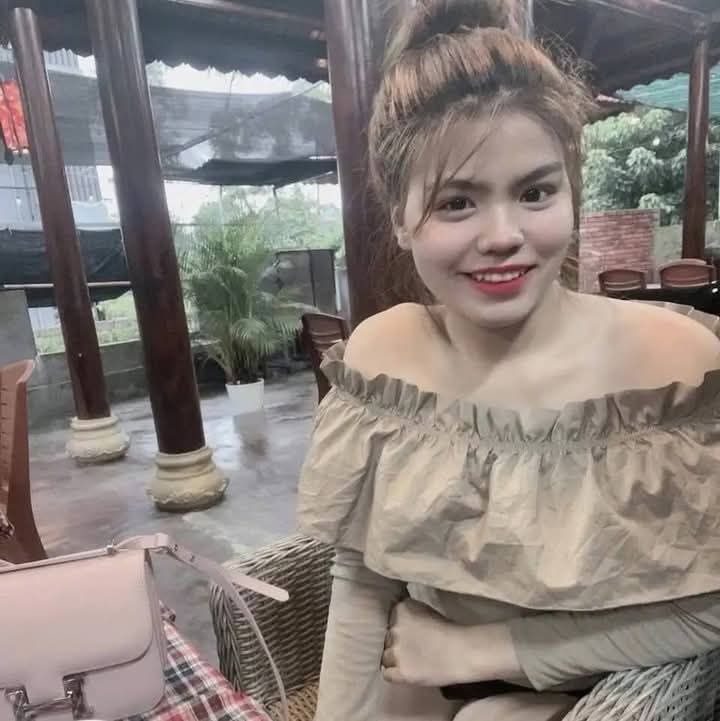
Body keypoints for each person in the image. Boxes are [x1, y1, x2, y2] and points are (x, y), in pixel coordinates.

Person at [297, 1, 720, 718]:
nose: (502, 235)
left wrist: (494, 649)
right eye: (457, 203)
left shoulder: (673, 365)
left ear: (572, 192)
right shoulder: (385, 356)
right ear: (399, 218)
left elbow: (707, 609)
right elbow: (362, 579)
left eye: (534, 192)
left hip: (593, 686)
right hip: (423, 676)